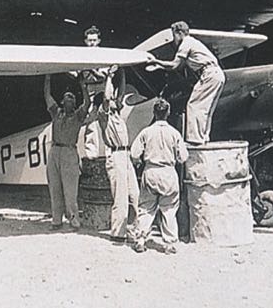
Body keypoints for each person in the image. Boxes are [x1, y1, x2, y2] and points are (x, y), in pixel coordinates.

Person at [146, 21, 225, 145]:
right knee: (206, 108)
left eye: (174, 35)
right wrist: (160, 67)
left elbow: (174, 64)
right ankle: (204, 137)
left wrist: (155, 60)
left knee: (193, 105)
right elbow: (178, 66)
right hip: (217, 73)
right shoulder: (194, 42)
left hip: (208, 73)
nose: (174, 40)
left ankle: (195, 140)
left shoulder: (186, 42)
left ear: (179, 33)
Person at [130, 99, 188, 254]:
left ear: (154, 113)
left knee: (146, 208)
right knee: (169, 209)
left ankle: (141, 240)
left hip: (150, 171)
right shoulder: (174, 133)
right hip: (168, 172)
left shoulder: (146, 132)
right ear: (168, 113)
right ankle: (169, 244)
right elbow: (183, 157)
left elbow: (134, 153)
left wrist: (139, 162)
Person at [44, 73, 94, 229]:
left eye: (72, 97)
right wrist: (47, 77)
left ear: (74, 103)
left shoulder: (78, 116)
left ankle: (74, 219)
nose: (69, 98)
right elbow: (47, 95)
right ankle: (56, 221)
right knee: (55, 188)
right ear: (62, 101)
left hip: (69, 152)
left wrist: (82, 85)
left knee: (70, 190)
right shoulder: (56, 113)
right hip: (54, 151)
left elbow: (87, 103)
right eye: (67, 97)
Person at [96, 65, 140, 242]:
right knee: (120, 196)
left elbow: (119, 93)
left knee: (134, 194)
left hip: (125, 155)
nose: (115, 97)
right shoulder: (103, 113)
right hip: (115, 156)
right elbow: (107, 97)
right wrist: (108, 76)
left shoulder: (117, 113)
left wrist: (121, 72)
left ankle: (133, 229)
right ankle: (117, 233)